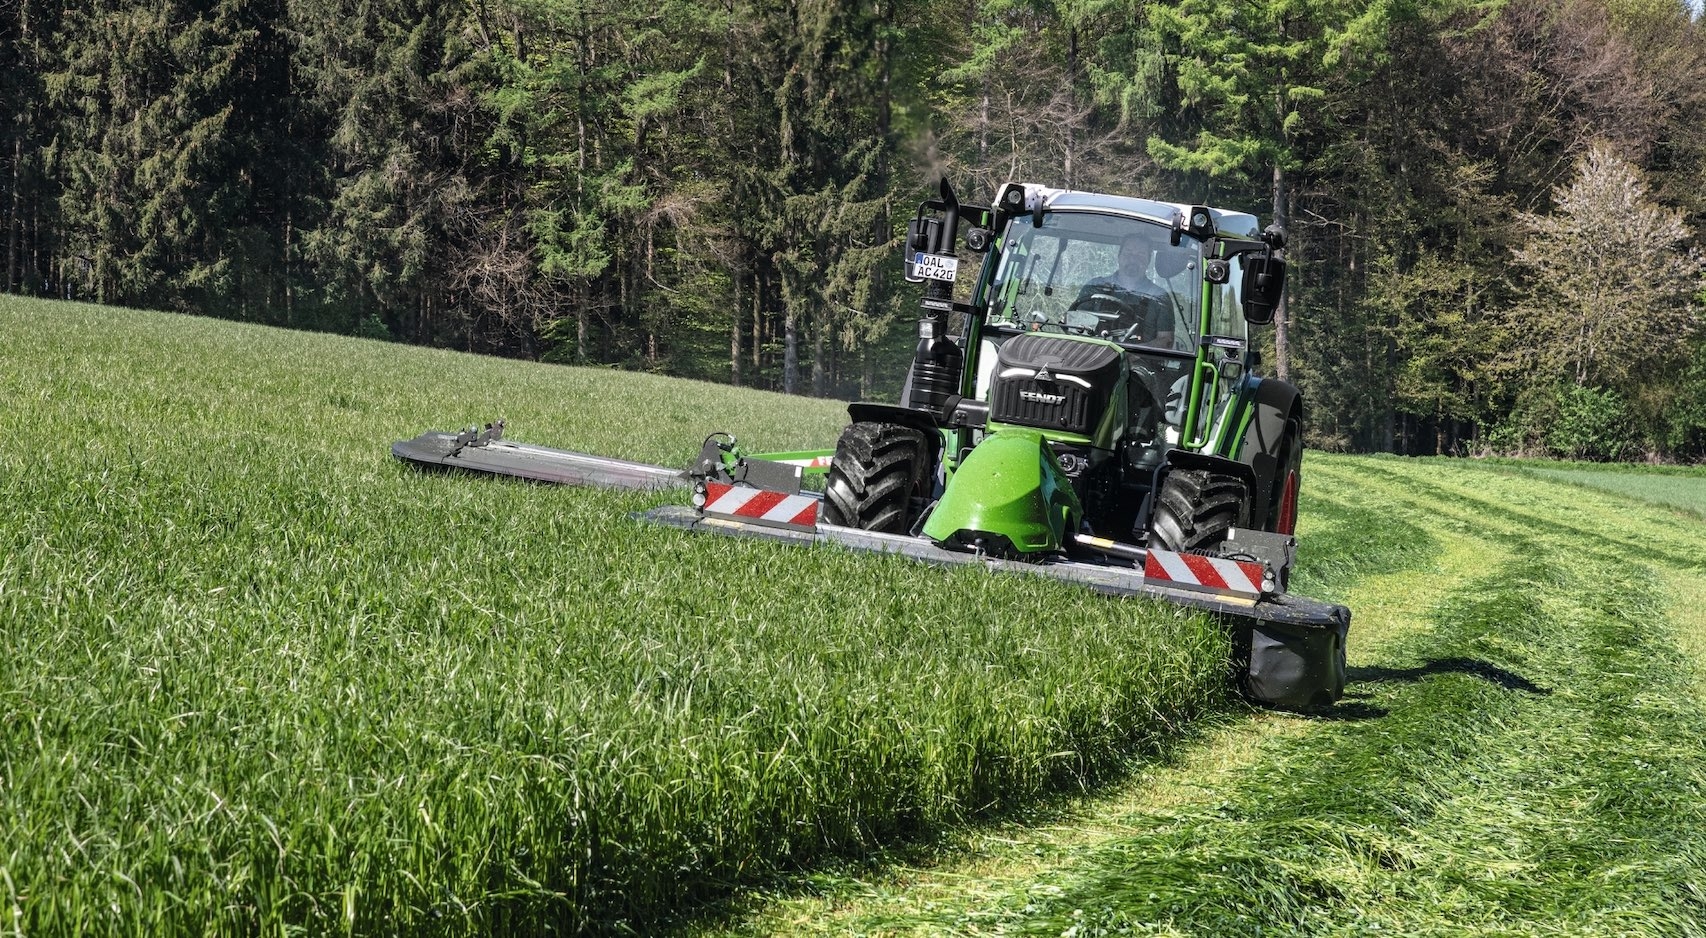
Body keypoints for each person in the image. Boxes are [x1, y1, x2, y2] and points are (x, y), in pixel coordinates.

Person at [1073, 233, 1177, 348]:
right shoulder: (1094, 287)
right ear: (1119, 256)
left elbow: (1165, 340)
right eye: (1128, 252)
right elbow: (1075, 327)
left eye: (1140, 254)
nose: (1133, 258)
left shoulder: (1159, 297)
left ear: (1148, 260)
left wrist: (1130, 357)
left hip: (1139, 363)